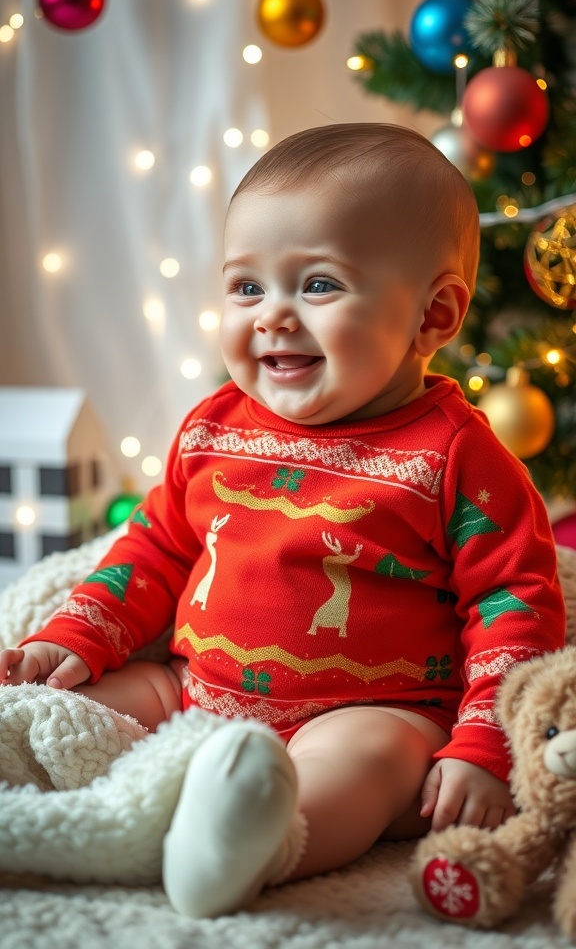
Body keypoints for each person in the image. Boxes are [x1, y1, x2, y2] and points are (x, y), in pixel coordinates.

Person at [0, 123, 565, 918]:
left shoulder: (456, 458)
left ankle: (257, 843)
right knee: (66, 710)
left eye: (320, 286)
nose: (272, 317)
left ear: (433, 317)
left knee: (365, 765)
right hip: (194, 686)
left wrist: (484, 746)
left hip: (373, 708)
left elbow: (514, 608)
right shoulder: (213, 428)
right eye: (247, 287)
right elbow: (158, 546)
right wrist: (79, 633)